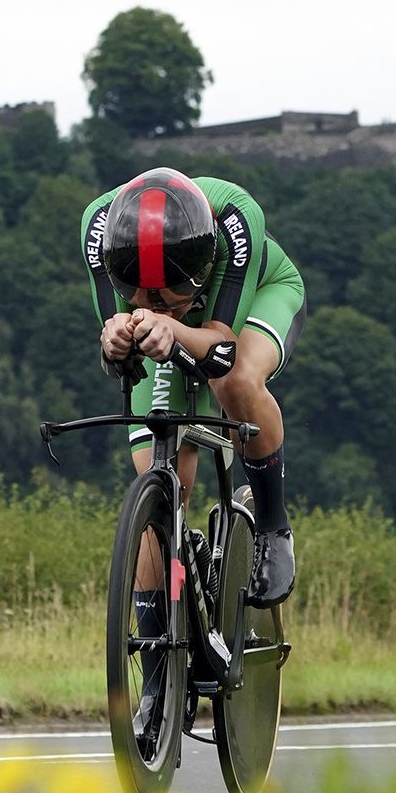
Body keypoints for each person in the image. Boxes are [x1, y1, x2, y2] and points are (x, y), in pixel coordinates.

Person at [79, 167, 306, 741]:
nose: (152, 301)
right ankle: (156, 682)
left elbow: (223, 349)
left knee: (237, 388)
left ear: (197, 271)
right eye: (141, 292)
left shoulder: (234, 221)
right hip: (168, 336)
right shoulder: (100, 226)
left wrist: (172, 326)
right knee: (159, 490)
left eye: (166, 293)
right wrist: (117, 336)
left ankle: (273, 528)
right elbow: (121, 352)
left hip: (253, 301)